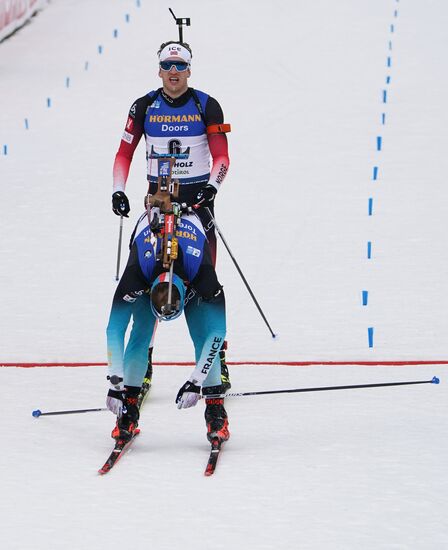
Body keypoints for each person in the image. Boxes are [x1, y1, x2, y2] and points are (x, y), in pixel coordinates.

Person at [111, 40, 231, 393]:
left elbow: (222, 158)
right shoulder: (144, 105)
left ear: (190, 69)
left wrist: (212, 188)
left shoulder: (206, 105)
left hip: (197, 203)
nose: (174, 72)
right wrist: (119, 189)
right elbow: (124, 153)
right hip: (158, 201)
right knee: (151, 273)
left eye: (180, 66)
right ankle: (142, 360)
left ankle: (216, 361)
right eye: (168, 65)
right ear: (159, 69)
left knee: (201, 278)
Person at [106, 209, 230, 445]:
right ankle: (128, 412)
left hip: (189, 264)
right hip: (148, 266)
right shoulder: (135, 276)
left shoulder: (203, 277)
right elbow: (114, 329)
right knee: (141, 333)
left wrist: (196, 381)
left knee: (202, 333)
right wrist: (115, 383)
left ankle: (216, 412)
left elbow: (217, 332)